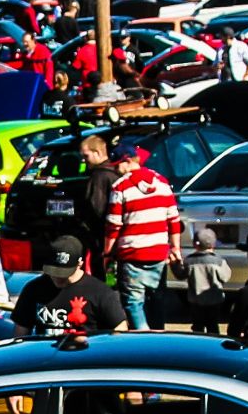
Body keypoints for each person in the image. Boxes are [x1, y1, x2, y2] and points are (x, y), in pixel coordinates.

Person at [105, 146, 182, 331]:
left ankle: (142, 336)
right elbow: (173, 220)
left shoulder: (120, 187)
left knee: (133, 302)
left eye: (118, 165)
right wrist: (175, 249)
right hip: (158, 252)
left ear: (128, 161)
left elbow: (113, 225)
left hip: (132, 253)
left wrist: (107, 253)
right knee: (157, 298)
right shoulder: (162, 182)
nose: (116, 170)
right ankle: (158, 334)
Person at [13, 236, 126, 337]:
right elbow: (20, 334)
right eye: (54, 271)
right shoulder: (34, 289)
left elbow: (120, 331)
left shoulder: (101, 293)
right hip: (45, 357)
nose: (57, 277)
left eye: (64, 273)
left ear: (80, 264)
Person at [75, 135, 123, 280]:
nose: (84, 160)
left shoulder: (99, 177)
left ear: (97, 153)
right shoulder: (115, 174)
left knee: (102, 276)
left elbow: (96, 207)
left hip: (101, 237)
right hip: (115, 237)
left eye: (86, 155)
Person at [180, 227, 232, 335]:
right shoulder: (218, 260)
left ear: (195, 244)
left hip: (195, 301)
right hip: (214, 300)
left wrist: (174, 264)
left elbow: (181, 275)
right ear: (214, 245)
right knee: (213, 325)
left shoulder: (189, 260)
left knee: (197, 326)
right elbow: (225, 277)